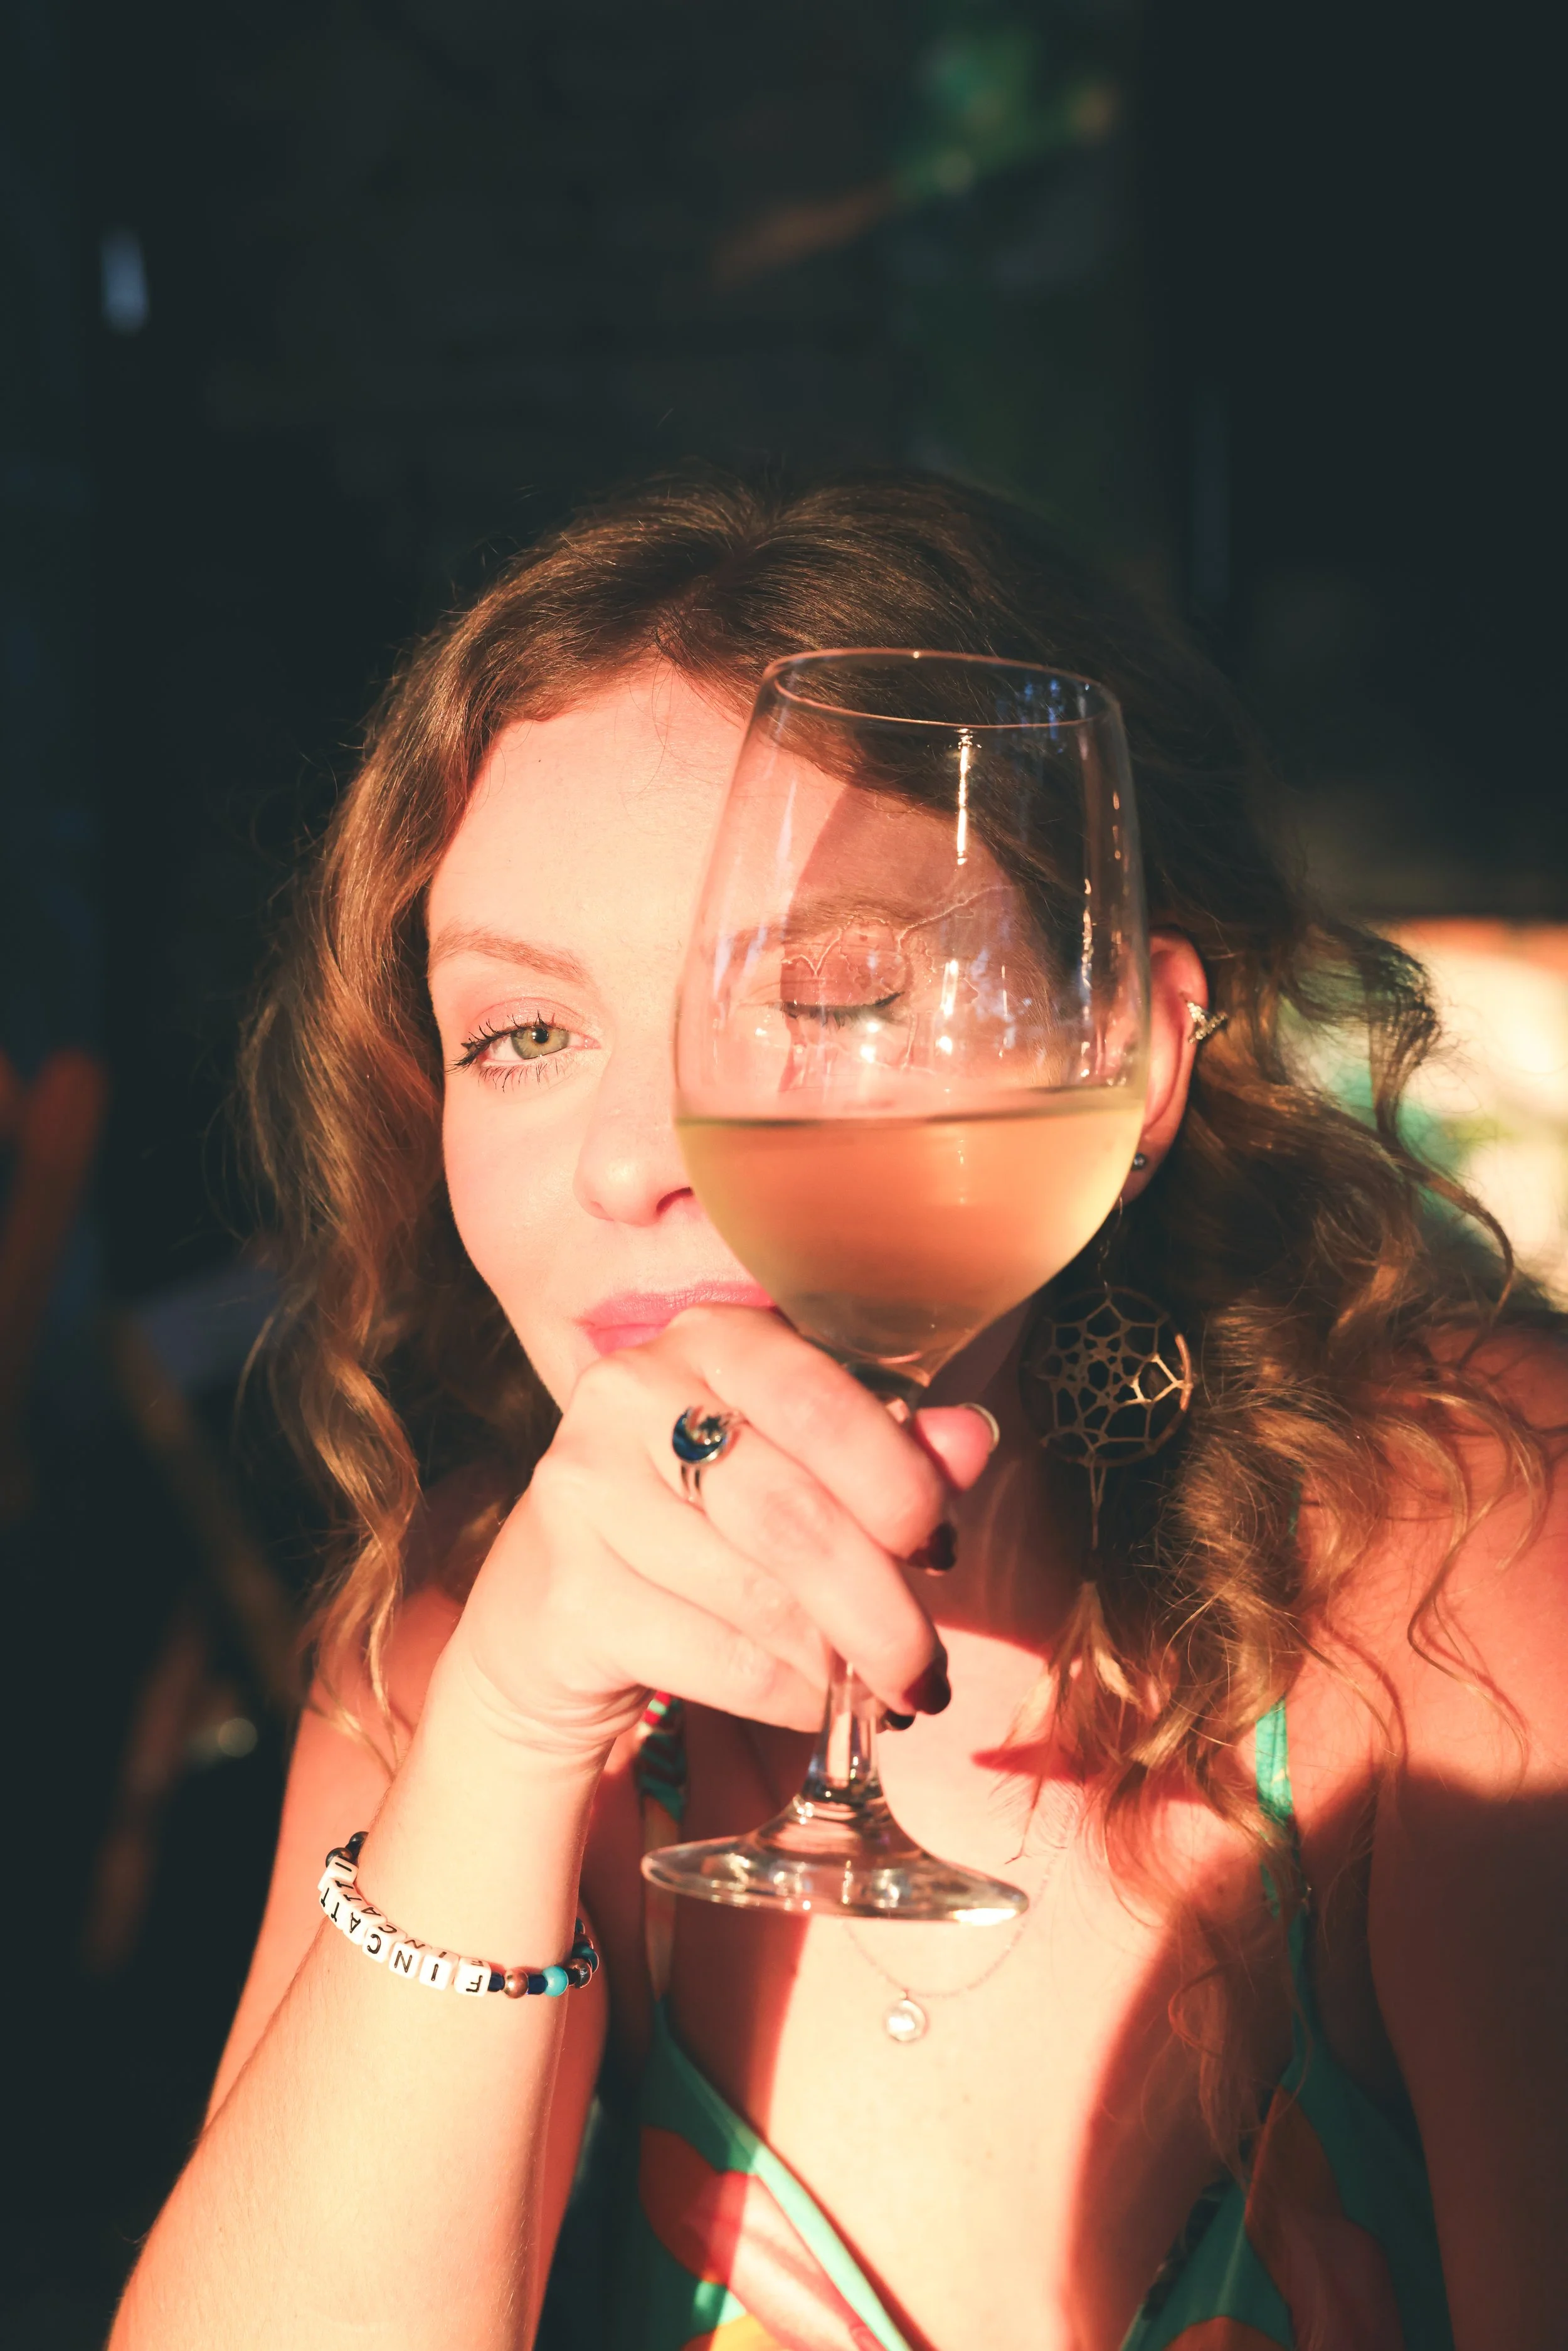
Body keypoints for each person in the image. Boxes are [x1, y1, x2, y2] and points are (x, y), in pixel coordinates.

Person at [112, 471, 1567, 2351]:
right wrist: (505, 1743)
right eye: (526, 1034)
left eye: (833, 992)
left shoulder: (1474, 1543)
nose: (643, 1153)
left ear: (1123, 1054)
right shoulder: (452, 1638)